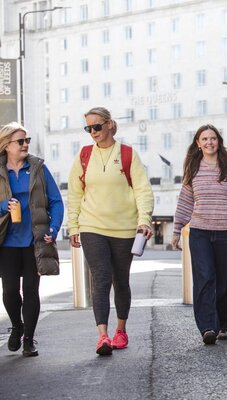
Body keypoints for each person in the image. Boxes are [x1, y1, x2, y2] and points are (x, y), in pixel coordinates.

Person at [68, 107, 154, 356]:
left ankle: (121, 330)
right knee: (101, 278)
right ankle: (103, 336)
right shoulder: (84, 156)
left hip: (125, 228)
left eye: (96, 126)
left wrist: (144, 219)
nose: (92, 132)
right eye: (88, 128)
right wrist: (74, 225)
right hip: (92, 226)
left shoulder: (127, 154)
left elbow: (142, 189)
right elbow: (75, 193)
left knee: (120, 280)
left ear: (109, 125)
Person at [171, 124, 227, 345]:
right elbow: (185, 201)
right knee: (204, 279)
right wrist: (177, 230)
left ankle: (225, 325)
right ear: (198, 143)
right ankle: (207, 327)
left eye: (213, 138)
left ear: (219, 141)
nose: (209, 142)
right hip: (200, 233)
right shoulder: (193, 168)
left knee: (226, 281)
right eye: (204, 139)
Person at [0, 122, 64, 357]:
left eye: (27, 140)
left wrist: (54, 228)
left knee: (31, 290)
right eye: (20, 141)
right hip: (6, 242)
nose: (26, 144)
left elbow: (56, 201)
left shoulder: (37, 168)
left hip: (33, 241)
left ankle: (29, 339)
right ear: (7, 145)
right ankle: (17, 326)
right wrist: (2, 206)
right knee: (8, 292)